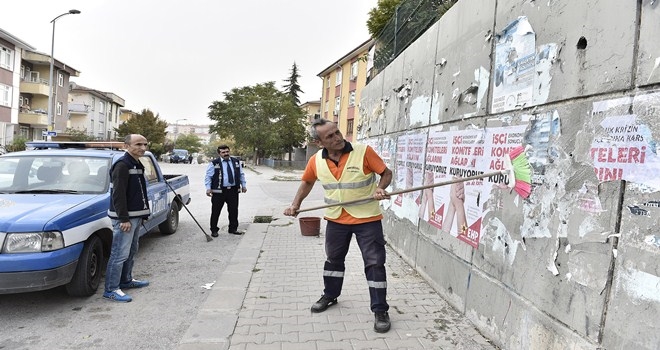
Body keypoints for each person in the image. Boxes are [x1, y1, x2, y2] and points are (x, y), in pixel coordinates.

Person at [283, 118, 393, 333]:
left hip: (367, 220)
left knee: (375, 264)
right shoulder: (316, 160)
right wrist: (295, 204)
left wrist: (380, 188)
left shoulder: (363, 151)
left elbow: (386, 173)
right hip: (336, 219)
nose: (337, 138)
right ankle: (331, 296)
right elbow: (307, 182)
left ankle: (380, 309)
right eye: (330, 136)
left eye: (337, 132)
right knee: (333, 261)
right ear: (319, 143)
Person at [104, 134, 151, 302]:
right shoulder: (122, 165)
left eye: (145, 144)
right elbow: (118, 194)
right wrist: (123, 218)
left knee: (131, 251)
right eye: (138, 144)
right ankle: (111, 289)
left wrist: (143, 213)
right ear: (126, 146)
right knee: (119, 254)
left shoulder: (136, 163)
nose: (143, 147)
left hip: (135, 216)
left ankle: (126, 280)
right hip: (125, 219)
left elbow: (139, 192)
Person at [205, 145, 247, 237]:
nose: (226, 154)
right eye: (223, 152)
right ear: (219, 153)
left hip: (233, 190)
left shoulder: (236, 162)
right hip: (219, 191)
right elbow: (208, 177)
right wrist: (208, 188)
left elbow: (241, 174)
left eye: (227, 151)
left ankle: (233, 229)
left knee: (233, 210)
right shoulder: (214, 163)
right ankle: (214, 230)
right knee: (216, 211)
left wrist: (243, 185)